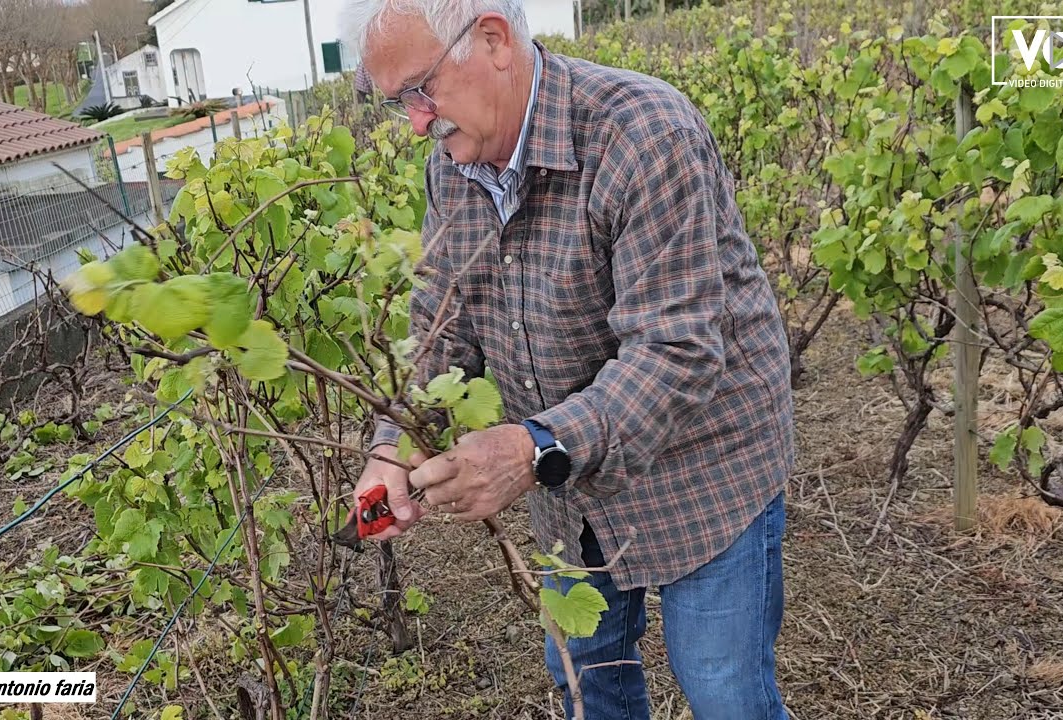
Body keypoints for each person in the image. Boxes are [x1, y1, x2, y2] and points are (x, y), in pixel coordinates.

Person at [340, 2, 795, 718]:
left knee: (723, 688)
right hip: (566, 488)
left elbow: (674, 351)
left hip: (704, 470)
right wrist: (391, 450)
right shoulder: (452, 172)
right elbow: (442, 328)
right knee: (588, 685)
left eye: (422, 90)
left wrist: (531, 449)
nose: (417, 122)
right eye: (400, 101)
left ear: (493, 40)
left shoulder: (644, 134)